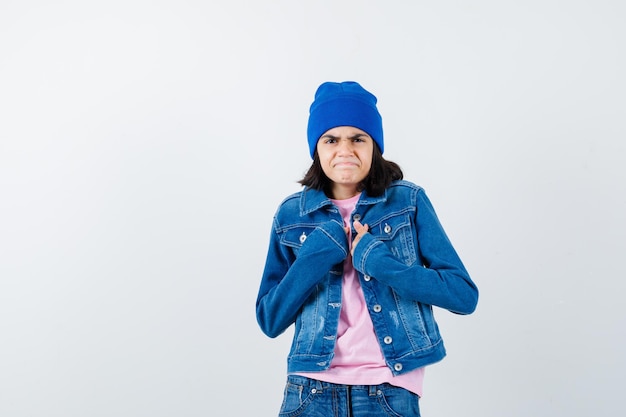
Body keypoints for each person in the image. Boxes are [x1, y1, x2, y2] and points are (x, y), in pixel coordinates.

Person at [256, 81, 479, 416]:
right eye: (331, 139)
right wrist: (315, 256)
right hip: (309, 389)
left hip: (388, 390)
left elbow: (463, 296)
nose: (345, 150)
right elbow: (270, 319)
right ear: (317, 148)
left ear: (374, 146)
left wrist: (381, 263)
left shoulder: (407, 202)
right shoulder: (292, 214)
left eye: (358, 138)